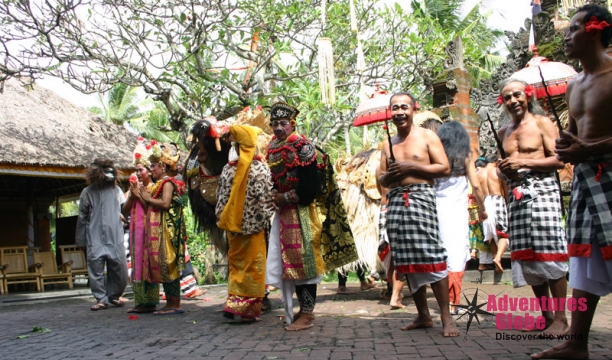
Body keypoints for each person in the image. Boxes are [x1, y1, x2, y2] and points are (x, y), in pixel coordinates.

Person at [532, 4, 612, 359]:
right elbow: (576, 141)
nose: (566, 36)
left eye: (574, 28)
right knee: (585, 259)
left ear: (595, 30)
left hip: (609, 173)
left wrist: (589, 148)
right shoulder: (574, 86)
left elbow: (589, 143)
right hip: (585, 180)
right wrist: (568, 147)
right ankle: (576, 344)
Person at [265, 101, 358, 331]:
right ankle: (303, 310)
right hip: (284, 215)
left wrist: (284, 198)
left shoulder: (304, 147)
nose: (278, 127)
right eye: (275, 123)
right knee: (290, 265)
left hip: (304, 215)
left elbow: (310, 189)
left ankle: (307, 314)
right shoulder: (274, 146)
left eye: (283, 123)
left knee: (305, 266)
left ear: (292, 124)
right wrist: (276, 195)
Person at [378, 92, 459, 337]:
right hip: (396, 202)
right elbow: (380, 177)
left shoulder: (427, 136)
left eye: (404, 107)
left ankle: (446, 318)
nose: (399, 112)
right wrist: (391, 175)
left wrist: (412, 166)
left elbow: (444, 168)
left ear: (414, 109)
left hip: (422, 197)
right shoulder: (387, 143)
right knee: (405, 259)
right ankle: (423, 315)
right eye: (395, 108)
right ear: (390, 113)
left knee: (431, 253)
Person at [497, 78, 568, 337]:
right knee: (527, 257)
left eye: (517, 95)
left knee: (549, 252)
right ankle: (546, 315)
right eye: (507, 97)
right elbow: (503, 168)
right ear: (502, 103)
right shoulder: (504, 132)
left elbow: (559, 159)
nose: (513, 100)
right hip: (516, 198)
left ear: (528, 95)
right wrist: (505, 171)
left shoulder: (542, 123)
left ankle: (561, 318)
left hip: (543, 193)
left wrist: (523, 162)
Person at [216, 124, 274, 323]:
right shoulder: (261, 169)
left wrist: (224, 220)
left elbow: (221, 199)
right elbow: (266, 200)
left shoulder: (227, 169)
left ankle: (233, 304)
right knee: (254, 268)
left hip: (233, 228)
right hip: (255, 229)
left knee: (236, 266)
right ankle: (247, 311)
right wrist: (267, 220)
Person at [434, 121, 487, 315]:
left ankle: (444, 303)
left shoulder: (436, 158)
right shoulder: (465, 158)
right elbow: (477, 185)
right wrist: (482, 209)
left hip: (436, 212)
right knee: (457, 255)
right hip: (456, 213)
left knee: (441, 254)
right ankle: (453, 302)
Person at [139, 143, 188, 316]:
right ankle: (170, 303)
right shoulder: (159, 182)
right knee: (163, 264)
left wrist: (146, 198)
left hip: (167, 230)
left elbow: (165, 204)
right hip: (160, 229)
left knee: (168, 263)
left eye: (153, 165)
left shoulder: (167, 182)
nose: (151, 169)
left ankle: (175, 304)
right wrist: (141, 196)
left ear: (163, 166)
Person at [76, 159, 129, 311]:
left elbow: (124, 211)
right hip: (95, 238)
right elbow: (82, 218)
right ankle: (101, 299)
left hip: (115, 238)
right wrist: (81, 241)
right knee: (95, 271)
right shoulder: (88, 192)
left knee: (121, 272)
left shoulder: (117, 191)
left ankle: (114, 296)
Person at [122, 140, 160, 313]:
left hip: (148, 233)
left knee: (147, 265)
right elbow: (125, 211)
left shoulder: (153, 188)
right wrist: (132, 195)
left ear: (148, 172)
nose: (137, 173)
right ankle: (139, 302)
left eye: (141, 170)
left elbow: (152, 210)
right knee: (136, 265)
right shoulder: (132, 189)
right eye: (136, 170)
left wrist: (140, 195)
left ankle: (150, 302)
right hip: (135, 234)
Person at [376, 169, 406, 310]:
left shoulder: (378, 169)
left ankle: (395, 292)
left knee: (387, 252)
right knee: (401, 254)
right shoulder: (401, 168)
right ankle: (395, 294)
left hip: (384, 207)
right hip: (398, 207)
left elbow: (379, 188)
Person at [478, 155, 509, 274]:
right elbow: (505, 189)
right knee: (503, 233)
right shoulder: (498, 171)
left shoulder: (479, 173)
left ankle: (496, 262)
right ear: (495, 162)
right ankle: (498, 258)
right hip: (497, 200)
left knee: (489, 235)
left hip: (485, 202)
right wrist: (506, 202)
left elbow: (477, 191)